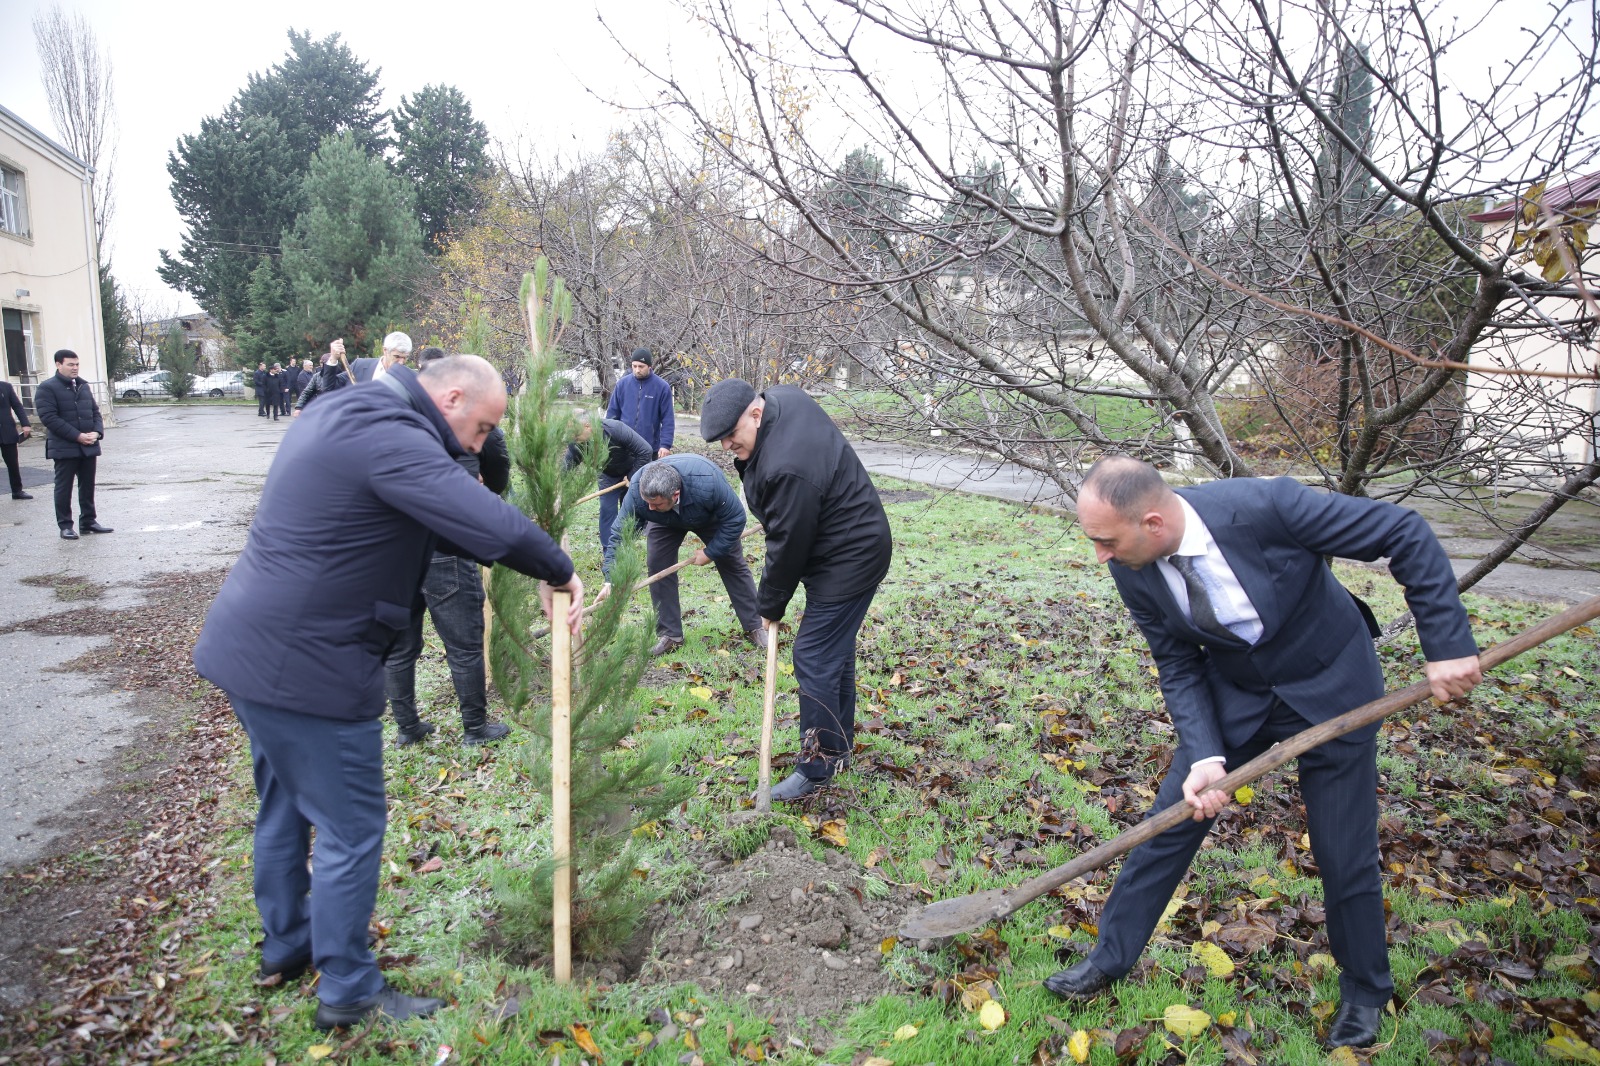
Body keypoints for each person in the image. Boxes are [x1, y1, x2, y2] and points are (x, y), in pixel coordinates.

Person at [193, 355, 583, 1031]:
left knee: (284, 805)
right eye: (484, 426)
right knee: (350, 826)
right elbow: (481, 519)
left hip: (252, 650)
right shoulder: (389, 433)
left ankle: (287, 944)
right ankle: (348, 988)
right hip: (309, 667)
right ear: (451, 396)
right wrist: (559, 569)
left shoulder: (343, 409)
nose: (482, 443)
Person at [1043, 455, 1481, 1051]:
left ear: (1152, 522)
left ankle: (1365, 993)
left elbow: (1403, 531)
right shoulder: (1132, 563)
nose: (1100, 556)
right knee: (1168, 822)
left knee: (1341, 847)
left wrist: (1447, 644)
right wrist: (1202, 753)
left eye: (1104, 540)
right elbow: (1176, 661)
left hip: (1332, 685)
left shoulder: (1268, 506)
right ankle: (1109, 959)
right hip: (1238, 693)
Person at [700, 378, 892, 800]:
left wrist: (768, 605)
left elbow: (787, 545)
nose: (727, 446)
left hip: (851, 556)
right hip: (843, 541)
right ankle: (837, 749)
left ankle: (817, 766)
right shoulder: (781, 399)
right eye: (721, 441)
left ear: (755, 413)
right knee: (831, 652)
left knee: (813, 654)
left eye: (731, 437)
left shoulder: (787, 466)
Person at [384, 346, 515, 747]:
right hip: (448, 546)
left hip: (397, 550)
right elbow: (498, 461)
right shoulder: (467, 420)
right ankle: (475, 728)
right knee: (463, 644)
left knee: (401, 644)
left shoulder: (391, 415)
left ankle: (407, 727)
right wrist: (487, 491)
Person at [605, 455, 765, 657]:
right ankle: (670, 635)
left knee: (731, 562)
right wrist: (610, 579)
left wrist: (711, 552)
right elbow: (620, 534)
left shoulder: (708, 482)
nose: (649, 508)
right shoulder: (640, 493)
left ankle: (755, 626)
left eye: (656, 504)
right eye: (648, 504)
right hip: (664, 521)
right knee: (658, 565)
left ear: (675, 494)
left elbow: (736, 518)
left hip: (708, 515)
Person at [34, 350, 112, 540]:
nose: (75, 368)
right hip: (64, 447)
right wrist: (77, 436)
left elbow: (95, 412)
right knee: (63, 487)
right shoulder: (47, 388)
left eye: (77, 364)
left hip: (88, 445)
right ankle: (65, 526)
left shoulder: (83, 386)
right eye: (70, 364)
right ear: (58, 365)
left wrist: (97, 432)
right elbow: (49, 418)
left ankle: (88, 521)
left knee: (87, 486)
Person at [567, 409, 653, 550]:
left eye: (576, 433)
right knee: (607, 509)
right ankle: (609, 550)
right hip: (608, 474)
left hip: (632, 470)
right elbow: (567, 467)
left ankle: (627, 545)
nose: (573, 437)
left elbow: (645, 451)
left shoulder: (616, 429)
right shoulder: (577, 443)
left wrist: (632, 476)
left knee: (630, 509)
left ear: (588, 426)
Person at [606, 347, 674, 459]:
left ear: (649, 366)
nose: (637, 370)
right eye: (634, 366)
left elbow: (668, 419)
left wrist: (665, 445)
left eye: (641, 366)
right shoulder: (622, 385)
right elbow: (612, 415)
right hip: (623, 446)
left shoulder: (662, 387)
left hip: (649, 448)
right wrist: (609, 440)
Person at [294, 341, 349, 414]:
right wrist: (299, 407)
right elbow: (307, 392)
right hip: (322, 408)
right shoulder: (317, 376)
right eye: (323, 363)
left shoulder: (342, 375)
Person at [1, 377, 32, 500]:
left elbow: (17, 406)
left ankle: (17, 491)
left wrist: (25, 424)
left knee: (13, 463)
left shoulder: (6, 387)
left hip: (7, 431)